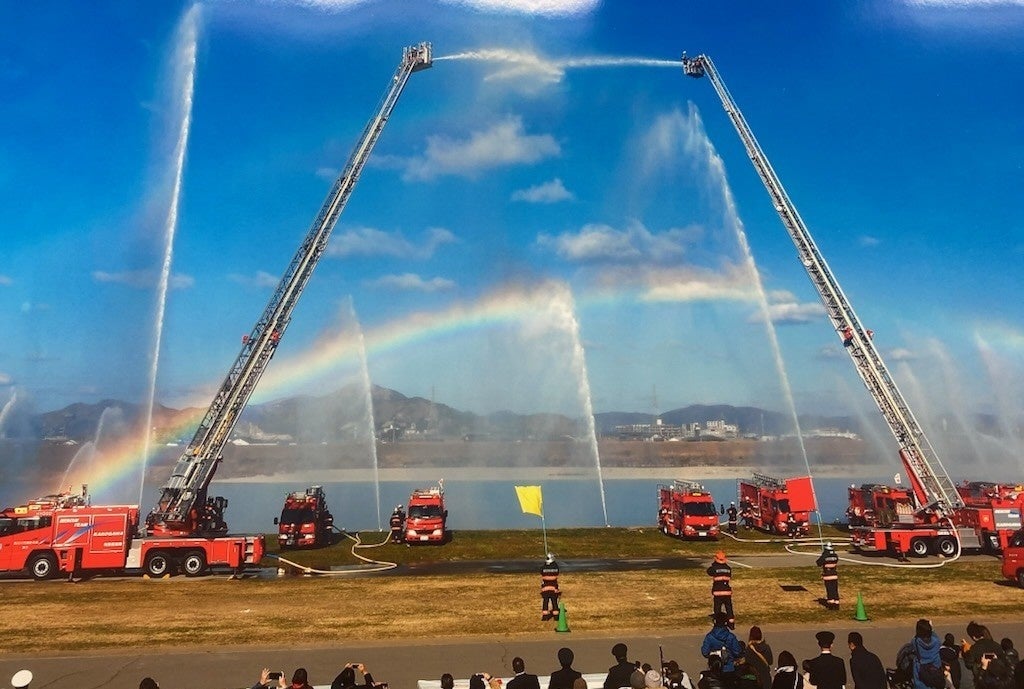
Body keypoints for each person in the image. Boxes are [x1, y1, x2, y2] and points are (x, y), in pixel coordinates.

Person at [702, 612, 744, 685]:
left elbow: (705, 652)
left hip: (715, 669)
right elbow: (737, 652)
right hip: (729, 669)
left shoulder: (709, 637)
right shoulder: (730, 637)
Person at [911, 619, 945, 689]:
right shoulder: (936, 640)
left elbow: (913, 644)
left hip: (921, 667)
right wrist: (931, 629)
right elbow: (939, 642)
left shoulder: (916, 641)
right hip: (935, 666)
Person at [707, 551, 735, 629]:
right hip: (727, 592)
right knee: (729, 608)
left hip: (718, 592)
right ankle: (731, 624)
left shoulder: (714, 568)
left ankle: (718, 623)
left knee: (717, 609)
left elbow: (709, 571)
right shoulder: (728, 568)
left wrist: (714, 564)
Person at [815, 543, 840, 610]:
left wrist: (823, 555)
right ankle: (836, 604)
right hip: (834, 575)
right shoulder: (835, 555)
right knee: (835, 590)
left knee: (829, 590)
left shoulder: (825, 555)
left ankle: (831, 605)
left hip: (827, 576)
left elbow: (818, 563)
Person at [541, 554, 561, 621]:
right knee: (554, 602)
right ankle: (556, 616)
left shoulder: (543, 567)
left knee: (545, 602)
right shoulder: (555, 567)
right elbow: (557, 572)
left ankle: (545, 616)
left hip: (545, 588)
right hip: (553, 587)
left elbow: (541, 572)